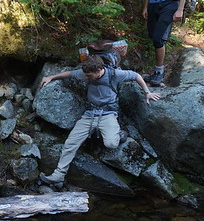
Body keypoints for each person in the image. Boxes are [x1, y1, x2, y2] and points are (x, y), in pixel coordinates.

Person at [38, 56, 161, 187]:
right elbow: (69, 74)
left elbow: (136, 76)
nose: (86, 78)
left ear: (99, 70)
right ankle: (59, 175)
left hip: (108, 114)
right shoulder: (85, 73)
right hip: (90, 114)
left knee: (111, 144)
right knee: (70, 143)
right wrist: (51, 77)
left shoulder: (115, 75)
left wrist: (147, 92)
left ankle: (119, 134)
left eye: (89, 76)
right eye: (85, 75)